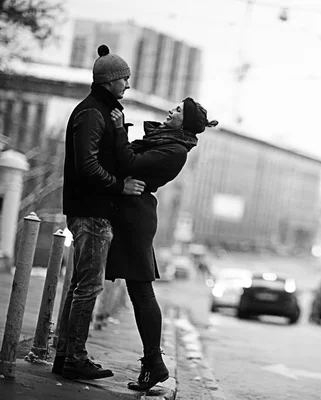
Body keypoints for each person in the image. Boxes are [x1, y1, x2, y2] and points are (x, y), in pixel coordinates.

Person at [106, 97, 218, 391]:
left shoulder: (175, 151)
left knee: (142, 292)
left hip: (136, 219)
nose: (172, 110)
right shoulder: (165, 141)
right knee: (138, 290)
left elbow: (130, 162)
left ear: (186, 123)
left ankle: (154, 363)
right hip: (130, 214)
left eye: (179, 110)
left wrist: (119, 131)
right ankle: (153, 363)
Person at [52, 45, 146, 380]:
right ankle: (75, 357)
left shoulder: (101, 111)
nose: (127, 86)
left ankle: (66, 355)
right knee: (89, 287)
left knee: (81, 285)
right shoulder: (93, 112)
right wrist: (120, 187)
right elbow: (87, 166)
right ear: (110, 80)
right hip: (91, 212)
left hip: (91, 209)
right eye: (125, 80)